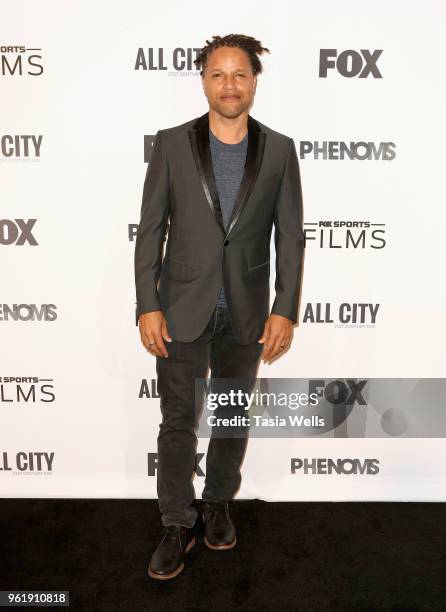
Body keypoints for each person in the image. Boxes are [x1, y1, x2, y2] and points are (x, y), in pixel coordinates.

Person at [134, 33, 305, 580]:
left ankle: (216, 503)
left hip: (249, 311)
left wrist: (285, 308)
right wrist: (147, 303)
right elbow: (151, 231)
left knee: (231, 415)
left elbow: (291, 236)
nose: (229, 85)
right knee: (178, 422)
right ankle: (175, 520)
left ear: (255, 80)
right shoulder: (171, 143)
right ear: (203, 80)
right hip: (182, 305)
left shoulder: (279, 149)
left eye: (239, 74)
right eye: (217, 74)